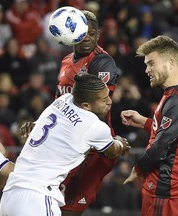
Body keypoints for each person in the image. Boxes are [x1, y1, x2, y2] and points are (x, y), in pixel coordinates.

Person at [21, 10, 121, 216]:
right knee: (51, 206)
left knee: (67, 210)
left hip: (91, 149)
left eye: (92, 33)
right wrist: (41, 123)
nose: (87, 37)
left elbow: (99, 108)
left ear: (99, 34)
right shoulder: (67, 60)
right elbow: (59, 102)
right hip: (68, 146)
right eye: (83, 32)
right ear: (72, 32)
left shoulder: (102, 63)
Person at [0, 73, 130, 216]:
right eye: (104, 100)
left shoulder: (63, 100)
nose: (110, 102)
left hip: (10, 194)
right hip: (37, 198)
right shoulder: (94, 125)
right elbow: (112, 151)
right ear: (86, 105)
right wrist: (120, 143)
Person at [121, 35, 178, 216]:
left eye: (151, 63)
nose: (146, 70)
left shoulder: (177, 101)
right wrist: (144, 122)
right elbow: (177, 135)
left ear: (171, 62)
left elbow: (160, 148)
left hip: (167, 193)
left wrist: (138, 168)